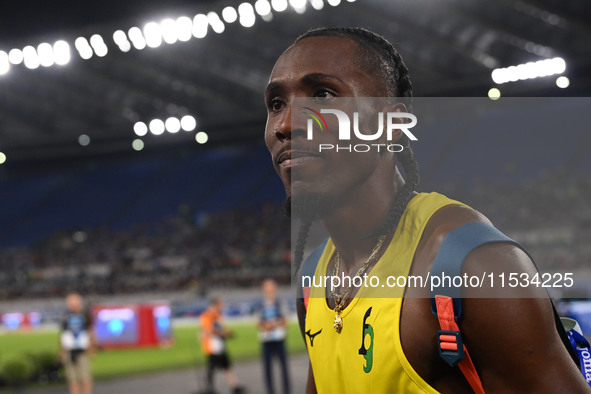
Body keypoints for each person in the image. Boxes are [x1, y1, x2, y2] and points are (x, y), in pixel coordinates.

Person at [263, 27, 590, 393]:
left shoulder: (475, 266)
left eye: (323, 94)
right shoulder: (313, 277)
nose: (286, 125)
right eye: (276, 104)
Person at [199, 297, 245, 394]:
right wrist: (224, 333)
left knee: (227, 366)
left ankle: (234, 386)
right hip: (212, 347)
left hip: (221, 345)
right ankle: (209, 389)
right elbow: (209, 330)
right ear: (215, 305)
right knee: (211, 369)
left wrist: (227, 333)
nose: (222, 306)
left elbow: (222, 329)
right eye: (221, 304)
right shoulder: (207, 316)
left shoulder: (218, 316)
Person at [259, 279, 290, 394]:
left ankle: (286, 390)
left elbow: (286, 320)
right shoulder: (261, 304)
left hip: (279, 339)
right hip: (266, 340)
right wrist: (264, 325)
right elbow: (258, 322)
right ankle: (270, 390)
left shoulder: (280, 303)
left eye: (271, 287)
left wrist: (273, 324)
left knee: (283, 367)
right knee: (267, 369)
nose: (269, 289)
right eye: (267, 287)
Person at [59, 292, 94, 394]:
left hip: (82, 350)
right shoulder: (65, 316)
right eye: (70, 301)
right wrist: (62, 351)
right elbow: (63, 334)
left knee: (85, 377)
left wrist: (92, 346)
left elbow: (91, 331)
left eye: (74, 301)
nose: (72, 303)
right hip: (69, 350)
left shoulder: (85, 314)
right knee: (72, 379)